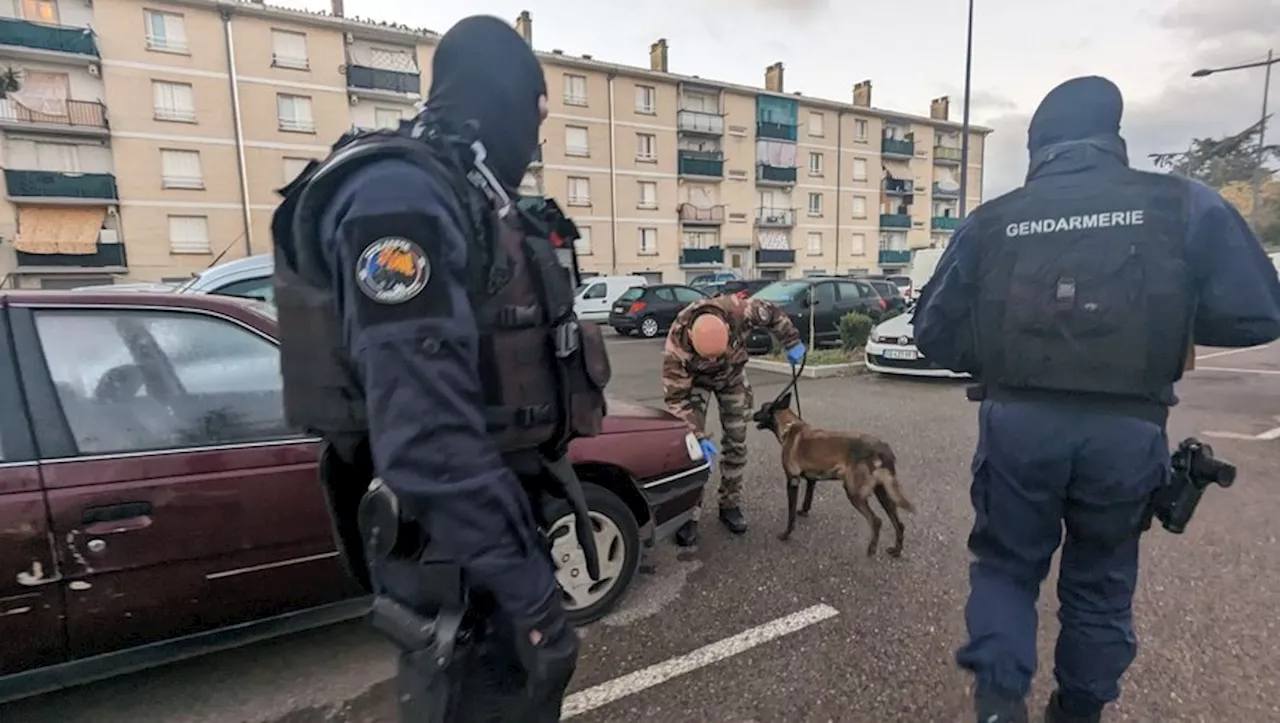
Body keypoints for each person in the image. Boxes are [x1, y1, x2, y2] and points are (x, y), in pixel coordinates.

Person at [270, 16, 613, 722]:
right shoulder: (398, 194)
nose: (537, 135)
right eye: (537, 111)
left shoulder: (463, 188)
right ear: (507, 97)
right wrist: (533, 599)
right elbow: (426, 436)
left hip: (486, 541)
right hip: (457, 558)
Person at [914, 75, 1280, 723]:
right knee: (1101, 581)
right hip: (1126, 428)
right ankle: (1078, 711)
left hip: (1018, 425)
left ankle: (1000, 708)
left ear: (1038, 145)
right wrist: (1169, 323)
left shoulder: (992, 221)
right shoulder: (1182, 204)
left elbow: (934, 333)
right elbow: (1258, 314)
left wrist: (999, 353)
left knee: (1004, 569)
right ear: (1113, 136)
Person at [661, 293, 806, 545]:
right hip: (696, 383)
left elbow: (772, 313)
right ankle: (689, 515)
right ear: (693, 340)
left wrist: (791, 341)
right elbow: (676, 400)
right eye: (708, 357)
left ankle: (730, 503)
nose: (713, 360)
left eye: (717, 354)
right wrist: (696, 434)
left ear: (729, 329)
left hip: (732, 378)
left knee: (737, 441)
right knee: (691, 451)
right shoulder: (677, 345)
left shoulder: (740, 311)